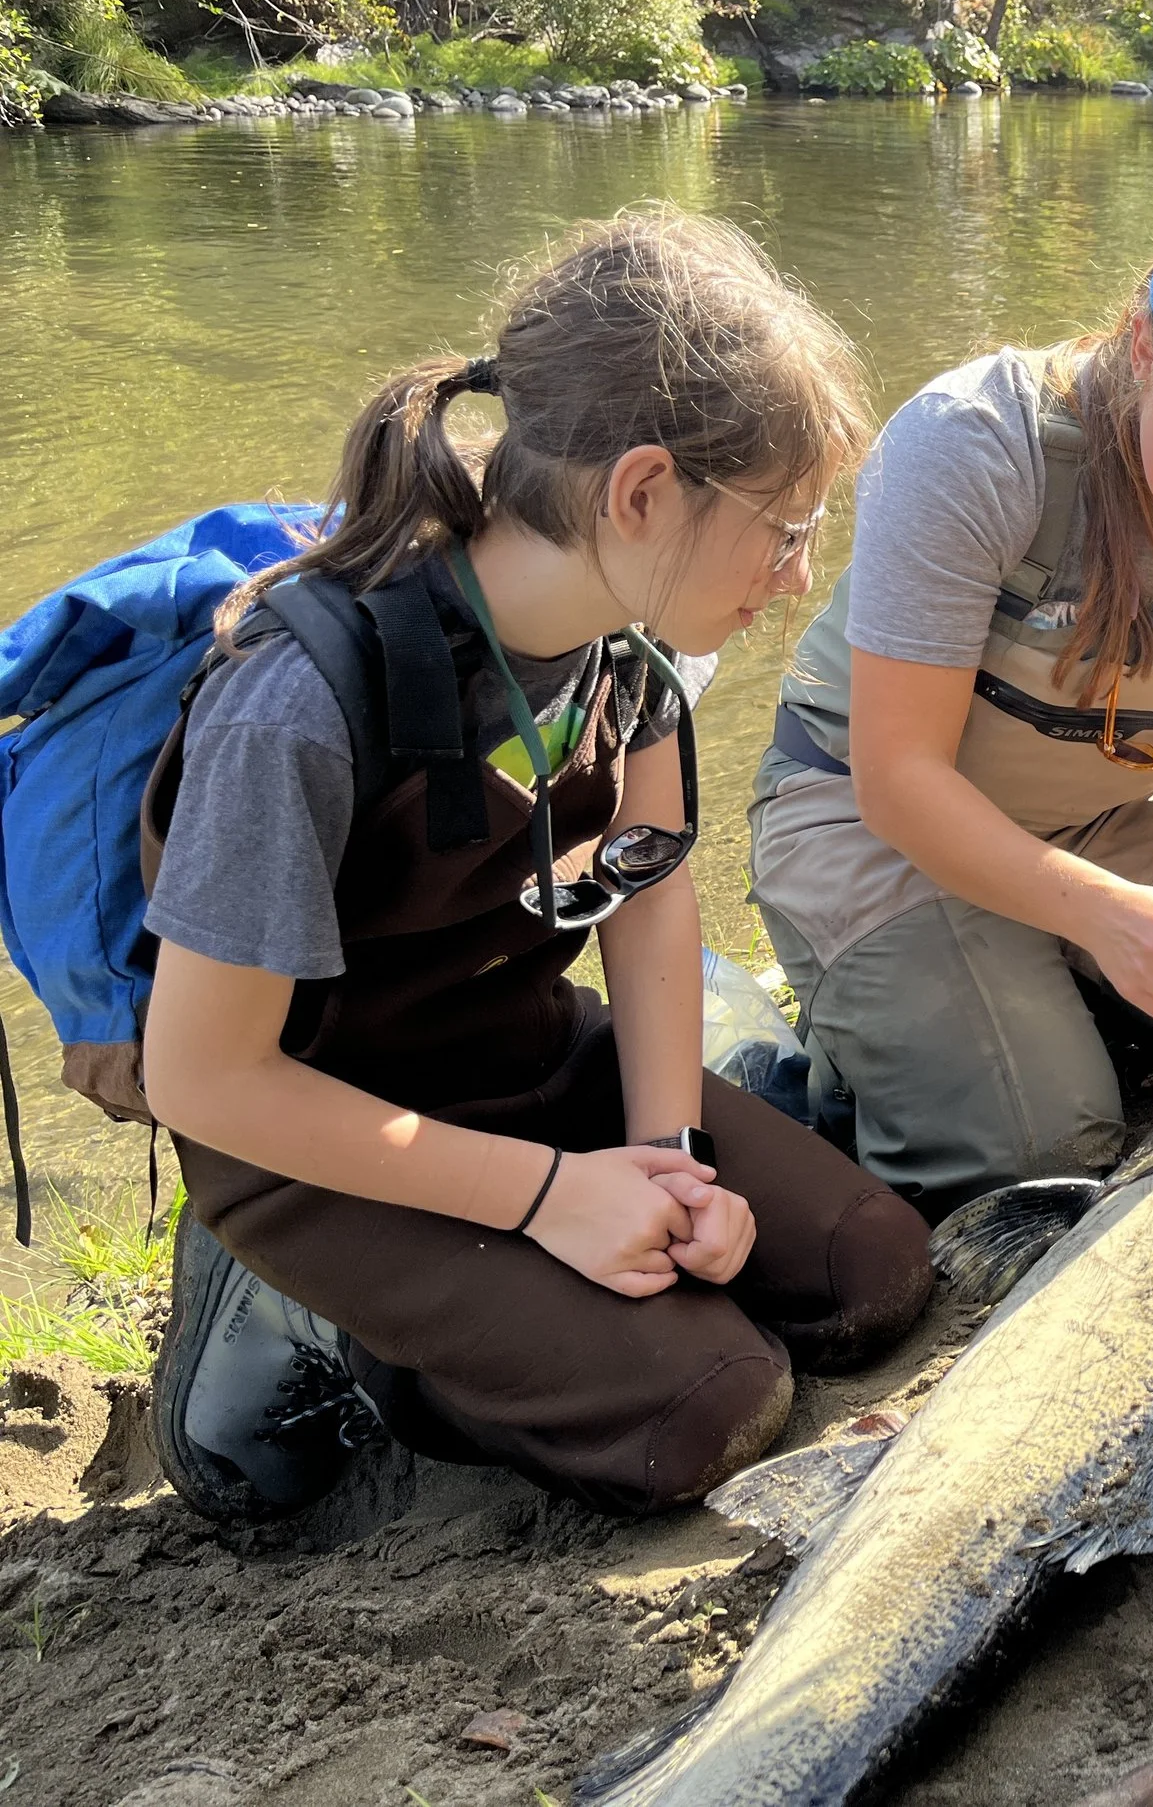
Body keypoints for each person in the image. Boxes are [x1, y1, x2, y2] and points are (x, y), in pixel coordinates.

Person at [143, 210, 935, 1526]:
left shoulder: (637, 648)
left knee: (873, 1269)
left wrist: (666, 1155)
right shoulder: (298, 704)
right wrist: (555, 1195)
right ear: (639, 491)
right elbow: (201, 1074)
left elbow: (650, 893)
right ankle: (329, 1325)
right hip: (313, 1136)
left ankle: (533, 1276)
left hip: (523, 1053)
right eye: (785, 530)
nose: (800, 578)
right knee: (707, 1406)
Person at [751, 191, 1153, 1222]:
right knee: (1037, 1149)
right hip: (874, 818)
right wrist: (1100, 913)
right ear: (1146, 344)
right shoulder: (974, 444)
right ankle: (841, 1065)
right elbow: (898, 779)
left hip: (1107, 816)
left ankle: (1055, 992)